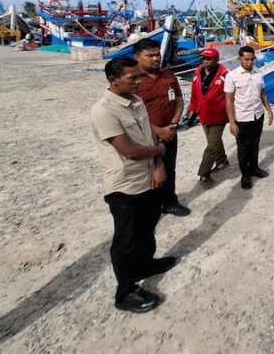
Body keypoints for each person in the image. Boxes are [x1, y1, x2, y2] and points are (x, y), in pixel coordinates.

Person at [89, 57, 178, 313]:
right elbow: (129, 150)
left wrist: (159, 163)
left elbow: (147, 135)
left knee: (147, 228)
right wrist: (160, 149)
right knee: (126, 240)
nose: (139, 82)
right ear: (113, 80)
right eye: (133, 78)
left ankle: (146, 265)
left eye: (139, 76)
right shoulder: (104, 111)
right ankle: (125, 292)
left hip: (149, 177)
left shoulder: (136, 101)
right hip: (125, 186)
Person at [133, 38, 191, 217]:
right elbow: (131, 115)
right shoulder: (133, 81)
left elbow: (179, 101)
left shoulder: (168, 75)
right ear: (137, 57)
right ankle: (150, 206)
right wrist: (158, 131)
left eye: (157, 54)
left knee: (169, 168)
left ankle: (169, 202)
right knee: (147, 172)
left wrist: (173, 125)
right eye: (149, 55)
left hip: (170, 133)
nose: (155, 58)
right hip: (144, 136)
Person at [224, 45, 273, 190]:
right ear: (240, 59)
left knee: (255, 144)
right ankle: (245, 174)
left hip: (257, 114)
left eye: (252, 59)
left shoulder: (259, 73)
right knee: (243, 147)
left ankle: (254, 168)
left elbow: (262, 93)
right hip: (242, 117)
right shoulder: (232, 76)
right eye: (247, 59)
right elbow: (228, 101)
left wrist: (269, 110)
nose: (250, 62)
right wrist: (232, 123)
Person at [187, 47, 230, 186]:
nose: (205, 61)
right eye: (204, 58)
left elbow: (231, 96)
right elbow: (194, 94)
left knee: (211, 145)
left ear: (216, 60)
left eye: (209, 59)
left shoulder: (225, 75)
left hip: (219, 115)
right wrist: (192, 111)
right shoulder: (197, 73)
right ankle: (222, 160)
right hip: (203, 115)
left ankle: (204, 173)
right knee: (214, 141)